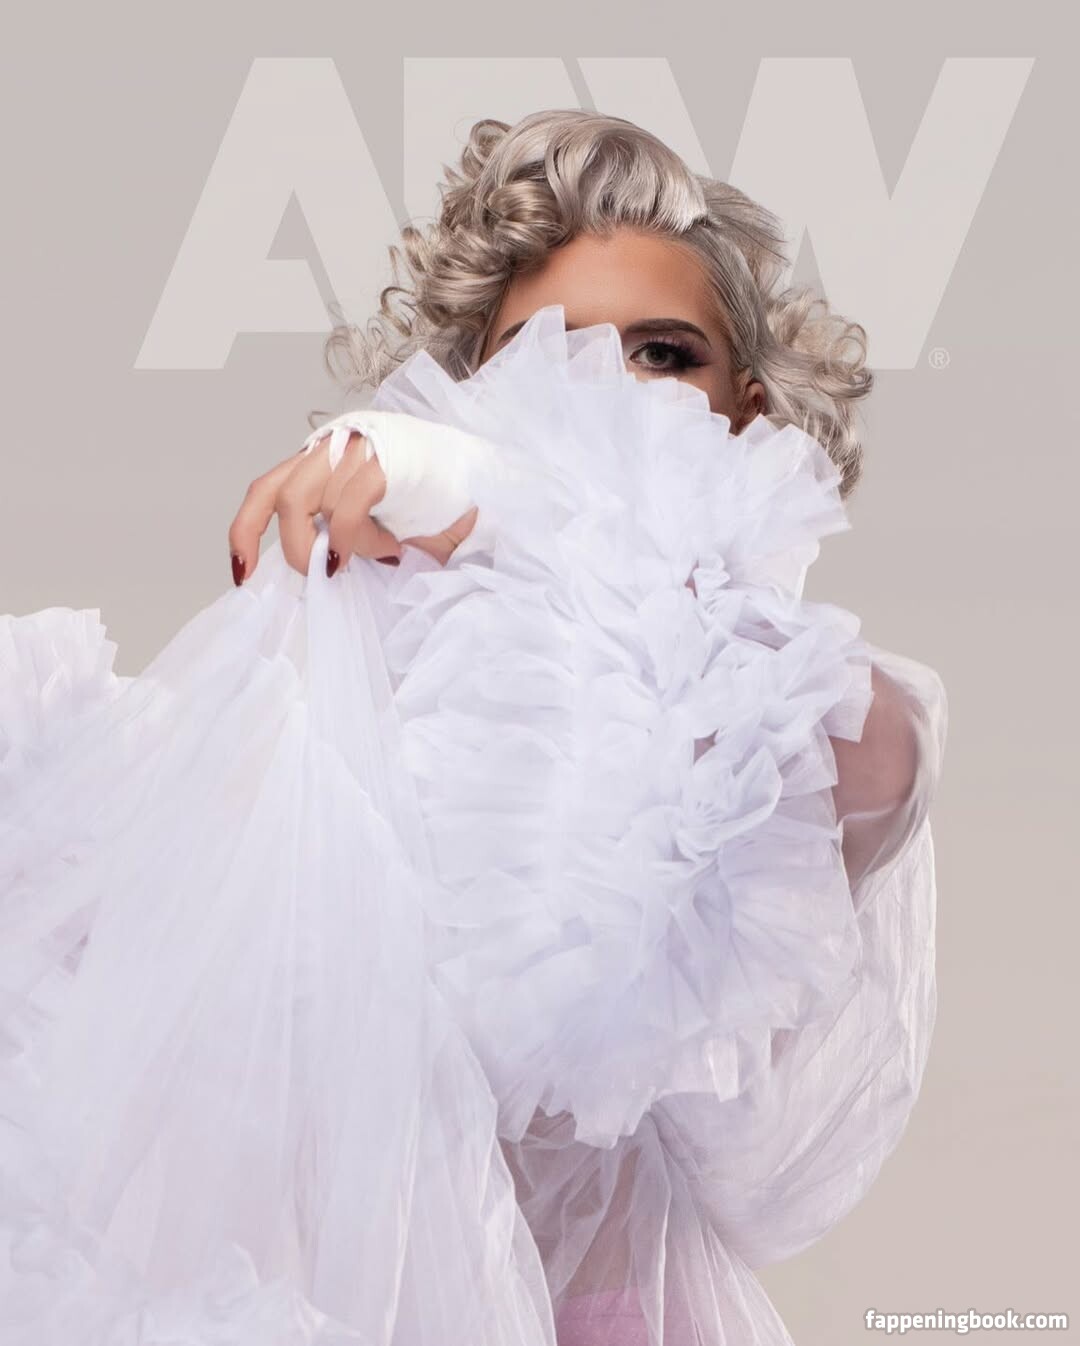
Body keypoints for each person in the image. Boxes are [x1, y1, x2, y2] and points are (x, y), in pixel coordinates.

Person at [0, 110, 947, 1344]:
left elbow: (869, 760)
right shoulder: (361, 676)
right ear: (465, 403)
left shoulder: (779, 697)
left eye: (662, 356)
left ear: (744, 407)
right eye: (547, 358)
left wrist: (506, 496)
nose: (601, 397)